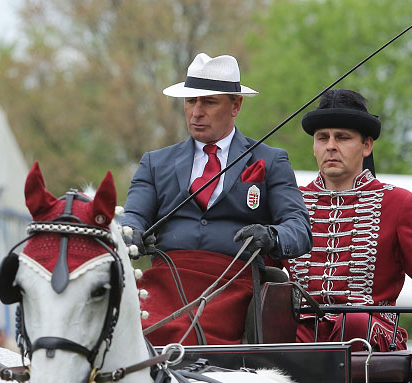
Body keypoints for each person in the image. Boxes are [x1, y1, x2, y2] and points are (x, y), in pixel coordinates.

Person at [120, 53, 312, 345]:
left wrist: (271, 235)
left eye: (208, 102)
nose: (196, 112)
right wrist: (131, 233)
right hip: (165, 281)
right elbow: (132, 216)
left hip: (233, 286)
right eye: (190, 101)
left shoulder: (270, 160)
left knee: (186, 333)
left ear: (235, 105)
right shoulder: (155, 163)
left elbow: (299, 228)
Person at [287, 89, 412, 350]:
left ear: (367, 146)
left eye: (343, 137)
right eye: (322, 138)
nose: (331, 146)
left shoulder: (397, 203)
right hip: (302, 336)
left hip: (369, 335)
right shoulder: (292, 202)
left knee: (355, 321)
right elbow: (251, 272)